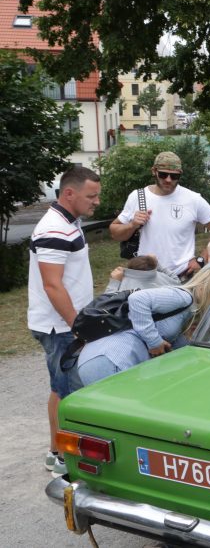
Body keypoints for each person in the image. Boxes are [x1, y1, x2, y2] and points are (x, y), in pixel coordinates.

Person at [27, 166, 101, 475]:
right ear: (69, 194)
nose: (96, 201)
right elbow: (52, 285)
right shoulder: (54, 229)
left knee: (65, 388)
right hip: (59, 328)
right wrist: (78, 327)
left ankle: (58, 451)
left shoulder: (69, 222)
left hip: (65, 325)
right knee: (67, 391)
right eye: (91, 196)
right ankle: (59, 456)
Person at [76, 265, 210, 387]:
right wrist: (154, 342)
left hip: (109, 359)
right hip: (112, 359)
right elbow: (138, 300)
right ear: (203, 287)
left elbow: (176, 347)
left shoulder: (191, 312)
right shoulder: (184, 297)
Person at [110, 152, 210, 279]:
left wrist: (202, 259)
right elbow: (115, 232)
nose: (168, 180)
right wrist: (132, 225)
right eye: (163, 174)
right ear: (154, 171)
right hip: (143, 275)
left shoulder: (192, 199)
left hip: (180, 277)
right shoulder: (138, 197)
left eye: (174, 176)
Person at [105, 255, 180, 294]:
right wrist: (158, 265)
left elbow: (107, 303)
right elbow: (176, 281)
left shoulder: (124, 288)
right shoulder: (163, 278)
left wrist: (115, 282)